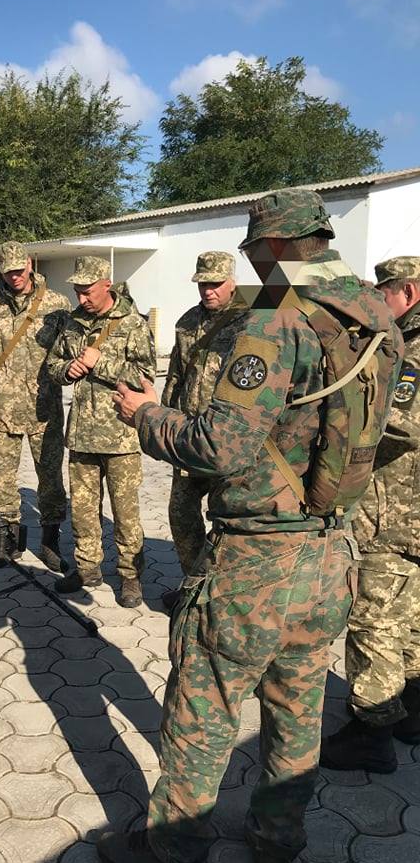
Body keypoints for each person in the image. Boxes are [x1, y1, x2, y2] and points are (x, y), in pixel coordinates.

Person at [97, 189, 402, 863]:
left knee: (203, 705)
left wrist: (146, 415)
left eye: (254, 252)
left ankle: (176, 849)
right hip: (331, 552)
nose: (253, 266)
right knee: (296, 711)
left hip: (256, 559)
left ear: (272, 247)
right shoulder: (373, 312)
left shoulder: (276, 319)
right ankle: (276, 847)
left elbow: (219, 447)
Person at [321, 256, 420, 773]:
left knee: (374, 618)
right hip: (409, 512)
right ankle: (411, 710)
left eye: (383, 292)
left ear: (408, 292)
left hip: (396, 512)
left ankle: (371, 731)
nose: (377, 302)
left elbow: (399, 420)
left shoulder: (411, 347)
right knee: (411, 613)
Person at [47, 255, 156, 609]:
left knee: (125, 513)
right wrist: (67, 369)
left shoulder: (132, 323)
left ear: (106, 285)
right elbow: (52, 364)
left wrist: (100, 363)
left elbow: (146, 377)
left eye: (88, 291)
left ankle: (130, 575)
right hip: (81, 434)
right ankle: (86, 568)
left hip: (120, 435)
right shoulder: (72, 322)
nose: (82, 298)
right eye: (77, 291)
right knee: (82, 510)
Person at [0, 240, 70, 571]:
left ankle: (50, 542)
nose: (14, 276)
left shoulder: (56, 304)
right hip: (3, 410)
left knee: (50, 477)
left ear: (29, 264)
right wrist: (3, 381)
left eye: (18, 269)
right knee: (2, 480)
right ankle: (6, 544)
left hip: (45, 410)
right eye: (8, 272)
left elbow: (66, 350)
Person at [161, 250, 245, 609]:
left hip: (228, 439)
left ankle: (221, 597)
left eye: (215, 284)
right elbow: (175, 376)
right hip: (189, 437)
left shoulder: (249, 321)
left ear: (232, 282)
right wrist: (164, 422)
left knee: (228, 523)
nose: (208, 290)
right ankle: (192, 587)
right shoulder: (187, 322)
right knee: (181, 514)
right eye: (202, 284)